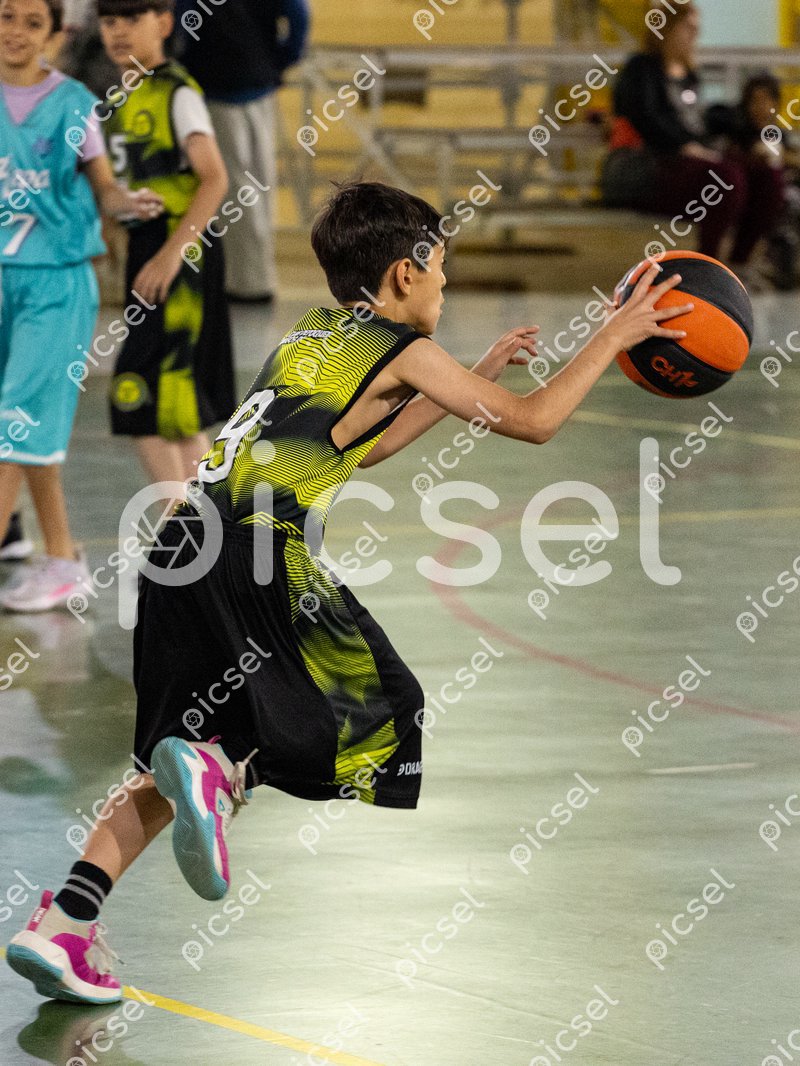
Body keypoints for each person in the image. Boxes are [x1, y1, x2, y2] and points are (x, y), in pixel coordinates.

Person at [6, 181, 692, 1001]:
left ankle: (66, 922)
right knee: (385, 709)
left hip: (179, 550)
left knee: (169, 761)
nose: (446, 283)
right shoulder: (403, 347)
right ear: (406, 272)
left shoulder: (313, 333)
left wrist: (466, 380)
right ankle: (224, 766)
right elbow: (536, 420)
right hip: (261, 556)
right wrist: (612, 335)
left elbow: (364, 446)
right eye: (441, 267)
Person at [0, 0, 162, 612]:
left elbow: (104, 187)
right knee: (27, 433)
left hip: (55, 284)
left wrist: (126, 202)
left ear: (55, 32)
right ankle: (64, 560)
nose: (16, 32)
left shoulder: (72, 105)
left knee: (14, 423)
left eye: (31, 22)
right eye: (6, 16)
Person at [98, 0, 235, 486]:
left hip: (181, 250)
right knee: (167, 404)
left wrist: (172, 254)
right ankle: (195, 521)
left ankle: (188, 522)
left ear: (162, 22)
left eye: (131, 19)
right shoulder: (120, 96)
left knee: (146, 394)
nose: (119, 31)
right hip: (149, 245)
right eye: (109, 21)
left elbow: (214, 179)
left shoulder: (177, 92)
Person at [602, 2, 785, 273]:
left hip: (689, 168)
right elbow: (646, 118)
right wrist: (684, 146)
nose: (695, 35)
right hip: (645, 169)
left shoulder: (689, 76)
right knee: (727, 178)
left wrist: (754, 141)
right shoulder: (640, 68)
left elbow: (703, 124)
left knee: (768, 178)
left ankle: (737, 267)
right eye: (688, 28)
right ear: (668, 29)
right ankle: (707, 270)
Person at [174, 0, 310, 303]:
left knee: (230, 189)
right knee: (255, 186)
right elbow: (298, 16)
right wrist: (276, 63)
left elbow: (179, 21)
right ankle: (251, 278)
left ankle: (244, 282)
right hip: (253, 81)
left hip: (217, 86)